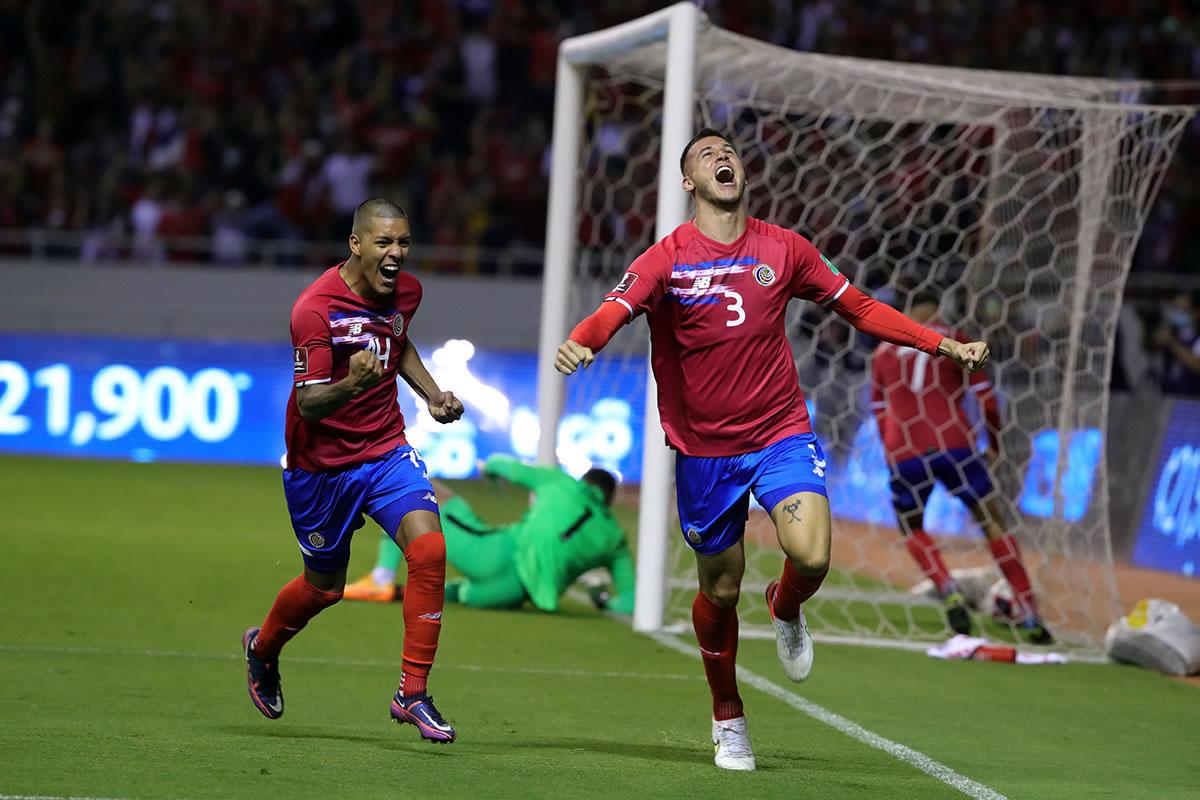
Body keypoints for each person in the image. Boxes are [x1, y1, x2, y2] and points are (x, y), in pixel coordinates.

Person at [555, 129, 990, 772]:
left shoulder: (783, 249)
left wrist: (939, 343)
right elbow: (613, 309)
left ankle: (785, 606)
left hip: (779, 430)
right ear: (687, 182)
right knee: (721, 590)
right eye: (705, 155)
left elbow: (860, 309)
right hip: (704, 453)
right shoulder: (666, 258)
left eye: (728, 151)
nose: (721, 158)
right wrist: (583, 340)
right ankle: (727, 717)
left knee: (811, 553)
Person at [241, 198, 465, 743]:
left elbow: (397, 340)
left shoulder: (406, 292)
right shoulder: (314, 310)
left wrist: (433, 395)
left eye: (404, 242)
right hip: (320, 468)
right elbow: (312, 402)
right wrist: (354, 384)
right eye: (385, 243)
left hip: (385, 449)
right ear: (356, 243)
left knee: (430, 552)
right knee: (324, 590)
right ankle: (262, 649)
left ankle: (412, 692)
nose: (397, 255)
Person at [869, 291, 1051, 643]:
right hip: (955, 443)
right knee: (992, 523)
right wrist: (994, 443)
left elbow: (879, 409)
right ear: (939, 308)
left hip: (904, 449)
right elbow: (987, 400)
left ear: (906, 310)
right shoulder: (956, 340)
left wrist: (892, 450)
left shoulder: (883, 350)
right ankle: (1030, 614)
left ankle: (947, 587)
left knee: (911, 525)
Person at [343, 456, 636, 616]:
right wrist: (604, 603)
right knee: (461, 591)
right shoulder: (615, 538)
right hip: (510, 595)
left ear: (584, 481)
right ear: (609, 500)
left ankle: (381, 578)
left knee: (413, 487)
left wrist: (491, 469)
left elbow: (506, 466)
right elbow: (632, 600)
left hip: (493, 554)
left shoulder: (561, 482)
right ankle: (402, 593)